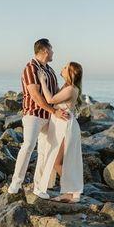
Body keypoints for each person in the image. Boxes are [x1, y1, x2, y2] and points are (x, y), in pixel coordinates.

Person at [7, 38, 70, 197]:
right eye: (52, 49)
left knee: (45, 151)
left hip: (49, 117)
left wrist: (70, 88)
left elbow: (55, 95)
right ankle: (16, 183)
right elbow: (34, 94)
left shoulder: (50, 70)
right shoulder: (30, 68)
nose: (54, 52)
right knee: (28, 146)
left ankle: (39, 187)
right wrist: (53, 111)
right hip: (33, 115)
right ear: (45, 50)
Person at [34, 61, 84, 203]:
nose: (62, 68)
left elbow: (50, 99)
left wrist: (42, 81)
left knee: (58, 162)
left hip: (66, 126)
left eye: (65, 67)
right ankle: (72, 192)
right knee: (63, 160)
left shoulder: (70, 89)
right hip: (62, 124)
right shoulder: (66, 87)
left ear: (71, 73)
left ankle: (71, 193)